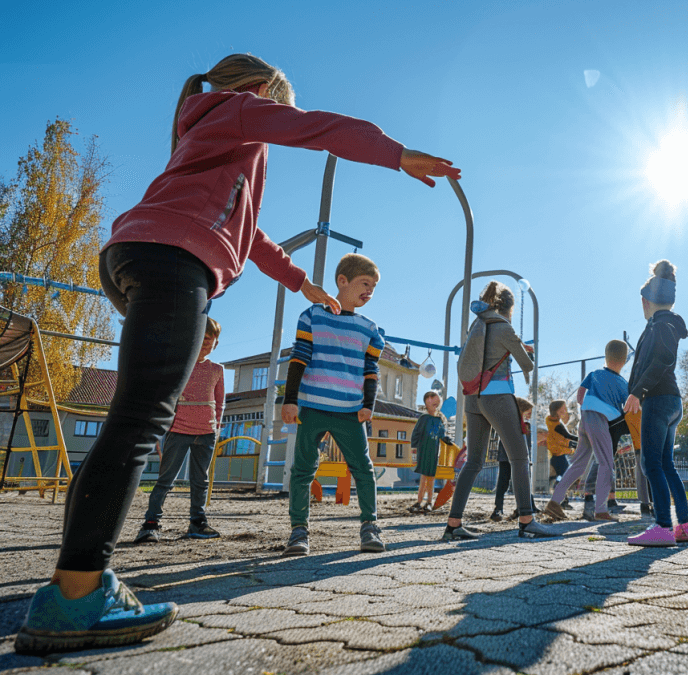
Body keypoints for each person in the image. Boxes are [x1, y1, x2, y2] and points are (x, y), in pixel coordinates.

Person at [13, 53, 460, 656]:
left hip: (134, 255)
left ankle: (77, 582)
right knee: (140, 421)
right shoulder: (242, 110)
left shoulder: (209, 132)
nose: (280, 116)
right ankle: (74, 595)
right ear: (261, 90)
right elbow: (318, 128)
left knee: (133, 413)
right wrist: (394, 153)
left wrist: (303, 284)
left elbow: (250, 237)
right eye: (279, 102)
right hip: (173, 261)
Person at [280, 253, 389, 556]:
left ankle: (370, 527)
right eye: (364, 283)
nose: (370, 290)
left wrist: (369, 404)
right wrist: (289, 400)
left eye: (374, 287)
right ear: (342, 281)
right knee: (302, 470)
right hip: (312, 407)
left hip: (350, 411)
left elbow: (371, 371)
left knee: (363, 470)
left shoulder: (369, 329)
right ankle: (299, 532)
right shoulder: (312, 316)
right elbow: (298, 358)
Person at [444, 281, 557, 540]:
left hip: (473, 398)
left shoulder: (478, 324)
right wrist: (528, 350)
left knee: (473, 461)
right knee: (519, 457)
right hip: (497, 396)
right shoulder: (504, 326)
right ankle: (528, 521)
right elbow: (527, 364)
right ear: (509, 307)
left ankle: (453, 524)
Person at [135, 317, 225, 543]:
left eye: (211, 340)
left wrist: (216, 427)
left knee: (200, 481)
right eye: (203, 339)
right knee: (165, 480)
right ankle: (151, 524)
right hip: (178, 430)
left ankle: (197, 523)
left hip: (206, 433)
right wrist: (159, 427)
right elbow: (165, 397)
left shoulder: (217, 370)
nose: (207, 344)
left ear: (216, 343)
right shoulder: (180, 365)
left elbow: (220, 402)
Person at [625, 261, 688, 547]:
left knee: (650, 463)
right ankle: (685, 526)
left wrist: (637, 391)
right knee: (666, 464)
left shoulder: (661, 325)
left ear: (645, 301)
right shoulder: (665, 323)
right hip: (671, 400)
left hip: (658, 398)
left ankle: (663, 526)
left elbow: (662, 361)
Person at [544, 340, 631, 522]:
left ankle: (554, 502)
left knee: (579, 464)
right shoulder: (623, 383)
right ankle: (601, 510)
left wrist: (588, 409)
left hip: (586, 417)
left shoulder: (594, 374)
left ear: (606, 357)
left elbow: (580, 395)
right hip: (601, 420)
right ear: (624, 361)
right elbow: (628, 408)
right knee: (606, 464)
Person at [491, 397, 537, 520]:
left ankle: (525, 507)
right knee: (503, 482)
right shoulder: (509, 421)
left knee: (523, 482)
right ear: (520, 410)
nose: (530, 415)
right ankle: (498, 508)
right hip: (506, 457)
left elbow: (527, 444)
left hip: (520, 458)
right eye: (528, 411)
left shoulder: (526, 425)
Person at [410, 390, 453, 513]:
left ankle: (429, 502)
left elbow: (441, 434)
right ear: (427, 401)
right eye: (433, 401)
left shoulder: (439, 420)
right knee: (424, 477)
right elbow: (416, 434)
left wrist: (446, 439)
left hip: (434, 452)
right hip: (423, 451)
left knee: (431, 477)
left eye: (437, 402)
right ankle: (419, 501)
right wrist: (414, 449)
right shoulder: (423, 418)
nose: (436, 404)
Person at [543, 399, 578, 509]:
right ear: (556, 411)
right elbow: (568, 436)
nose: (565, 411)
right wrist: (581, 440)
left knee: (563, 477)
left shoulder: (549, 420)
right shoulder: (557, 425)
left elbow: (561, 439)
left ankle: (561, 497)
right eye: (563, 410)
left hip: (556, 456)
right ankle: (561, 500)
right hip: (560, 456)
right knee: (565, 479)